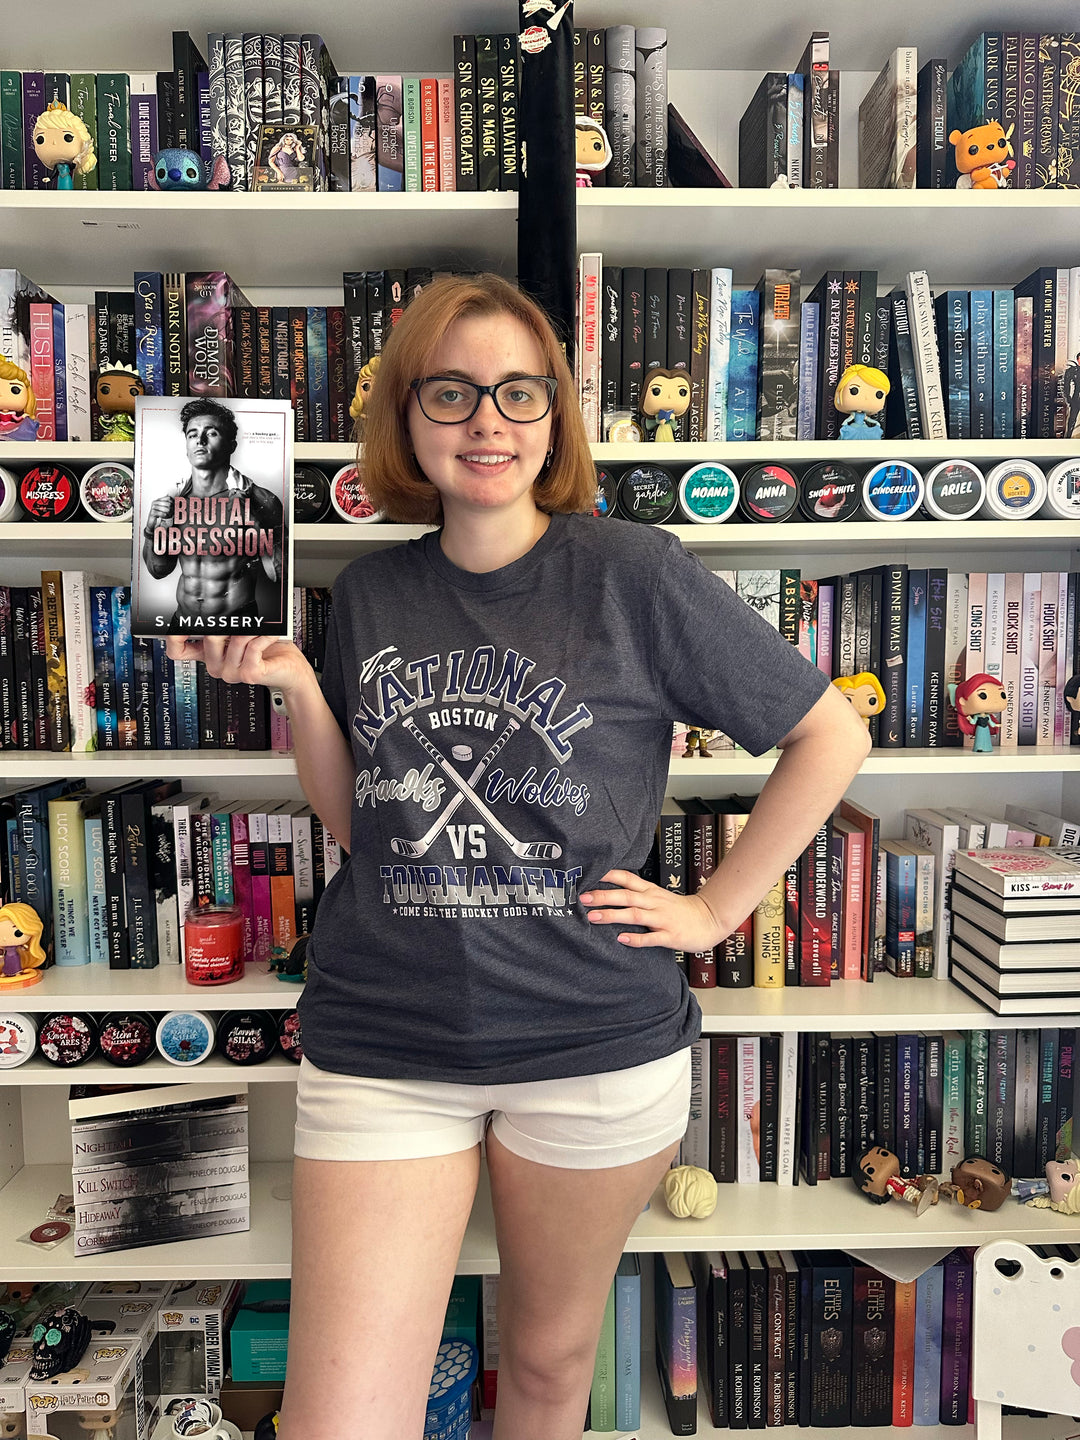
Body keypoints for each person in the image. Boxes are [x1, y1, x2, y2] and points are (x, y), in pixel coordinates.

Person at [166, 272, 870, 1440]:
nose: (486, 420)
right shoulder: (373, 592)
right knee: (339, 1419)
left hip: (590, 1042)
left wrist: (714, 910)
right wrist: (294, 682)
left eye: (517, 392)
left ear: (555, 418)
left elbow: (828, 731)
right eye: (450, 392)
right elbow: (365, 826)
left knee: (547, 1371)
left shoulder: (633, 574)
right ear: (404, 416)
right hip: (386, 1040)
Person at [142, 398, 284, 628]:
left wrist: (253, 523)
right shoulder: (174, 501)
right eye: (192, 434)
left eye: (212, 433)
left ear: (231, 445)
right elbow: (158, 571)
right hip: (183, 621)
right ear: (186, 446)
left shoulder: (260, 499)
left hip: (236, 621)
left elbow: (278, 575)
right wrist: (152, 530)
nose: (200, 440)